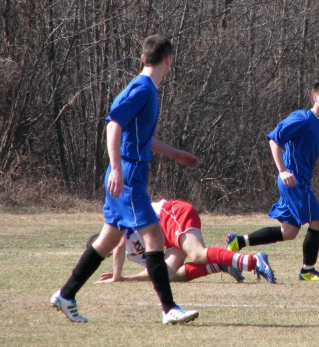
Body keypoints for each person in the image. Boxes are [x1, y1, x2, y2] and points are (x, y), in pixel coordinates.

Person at [50, 35, 200, 325]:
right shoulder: (142, 89)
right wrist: (117, 168)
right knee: (155, 237)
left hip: (131, 172)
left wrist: (175, 154)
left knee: (107, 240)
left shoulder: (147, 89)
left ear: (144, 58)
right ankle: (169, 309)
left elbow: (140, 136)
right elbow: (114, 123)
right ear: (168, 60)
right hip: (128, 175)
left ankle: (66, 295)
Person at [226, 80, 319, 281]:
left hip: (301, 182)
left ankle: (238, 241)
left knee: (289, 231)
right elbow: (274, 139)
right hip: (292, 181)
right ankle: (307, 271)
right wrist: (282, 171)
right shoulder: (301, 118)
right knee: (317, 223)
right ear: (315, 97)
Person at [91, 199, 275, 284]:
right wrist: (124, 279)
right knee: (167, 275)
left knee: (198, 254)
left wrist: (115, 277)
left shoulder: (118, 225)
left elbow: (119, 245)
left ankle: (253, 261)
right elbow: (154, 272)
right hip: (168, 236)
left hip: (171, 214)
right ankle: (222, 265)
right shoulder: (132, 254)